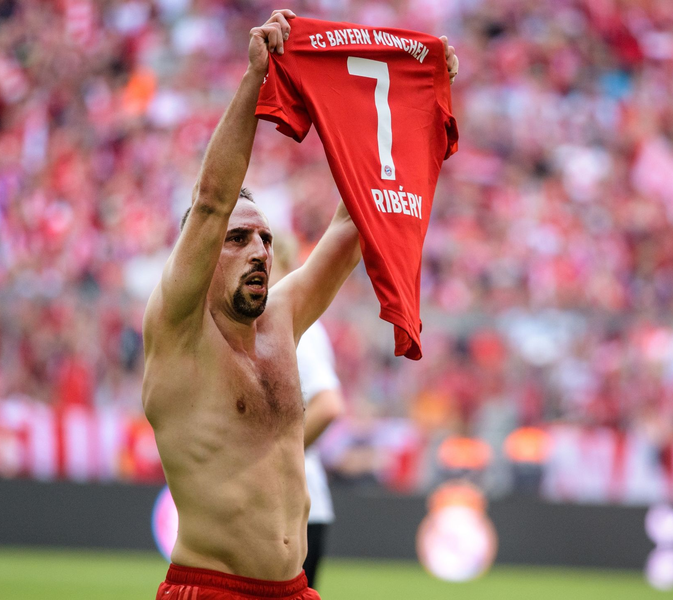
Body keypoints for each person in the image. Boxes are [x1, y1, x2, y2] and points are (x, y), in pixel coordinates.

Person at [141, 9, 459, 600]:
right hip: (212, 590)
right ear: (201, 258)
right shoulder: (177, 330)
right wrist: (254, 81)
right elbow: (211, 202)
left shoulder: (282, 321)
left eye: (263, 238)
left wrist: (418, 105)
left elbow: (356, 220)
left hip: (296, 589)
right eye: (238, 240)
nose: (259, 250)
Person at [271, 233, 345, 589]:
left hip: (293, 507)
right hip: (293, 505)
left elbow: (328, 404)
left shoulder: (290, 324)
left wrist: (272, 459)